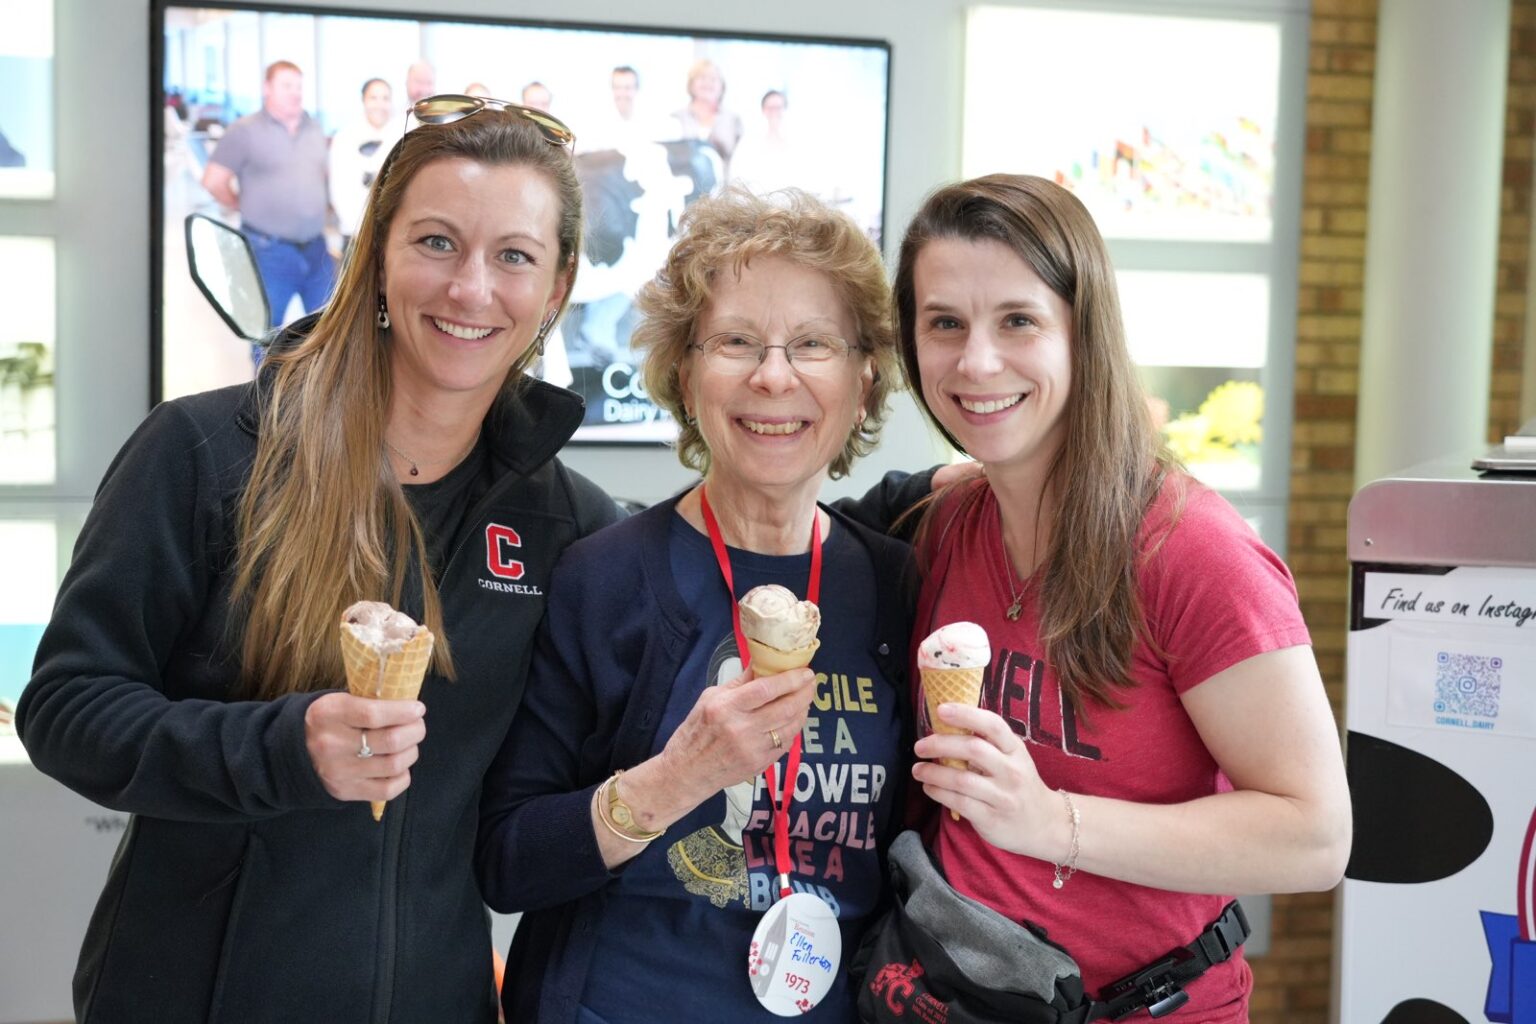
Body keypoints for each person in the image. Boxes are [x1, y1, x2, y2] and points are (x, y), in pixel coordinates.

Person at [17, 95, 621, 1023]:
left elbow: (535, 813)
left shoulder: (566, 523)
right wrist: (280, 748)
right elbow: (65, 707)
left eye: (514, 256)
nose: (471, 289)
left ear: (558, 285)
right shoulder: (206, 452)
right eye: (435, 243)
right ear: (373, 254)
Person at [879, 174, 1352, 1020]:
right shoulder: (948, 518)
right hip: (962, 995)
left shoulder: (1191, 550)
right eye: (944, 323)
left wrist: (1050, 818)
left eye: (1017, 320)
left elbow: (1316, 836)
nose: (976, 361)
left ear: (1081, 333)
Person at [478, 187, 913, 1022]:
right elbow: (507, 859)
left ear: (864, 383)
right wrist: (680, 777)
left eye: (813, 344)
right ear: (685, 373)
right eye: (736, 341)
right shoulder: (601, 578)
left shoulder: (897, 587)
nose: (773, 374)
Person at [201, 60, 334, 333]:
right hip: (267, 251)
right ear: (267, 88)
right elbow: (213, 181)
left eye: (298, 86)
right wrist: (240, 204)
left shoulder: (314, 127)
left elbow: (323, 175)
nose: (295, 92)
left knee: (330, 330)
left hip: (316, 249)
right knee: (264, 333)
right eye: (286, 86)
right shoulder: (244, 130)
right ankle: (266, 378)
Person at [329, 77, 396, 249]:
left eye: (385, 98)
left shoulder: (401, 136)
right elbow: (339, 192)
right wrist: (362, 231)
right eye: (373, 98)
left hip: (392, 236)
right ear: (363, 100)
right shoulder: (345, 138)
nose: (379, 104)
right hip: (355, 235)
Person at [672, 58, 744, 169]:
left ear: (722, 87)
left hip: (725, 184)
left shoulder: (733, 120)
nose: (707, 83)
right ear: (691, 85)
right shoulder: (677, 118)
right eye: (702, 78)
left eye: (713, 79)